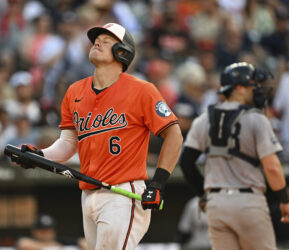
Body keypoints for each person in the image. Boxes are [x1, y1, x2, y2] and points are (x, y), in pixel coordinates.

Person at [10, 23, 183, 250]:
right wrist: (39, 155)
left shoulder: (142, 90)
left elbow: (174, 134)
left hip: (122, 193)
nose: (97, 42)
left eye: (106, 40)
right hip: (88, 194)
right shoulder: (75, 91)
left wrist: (158, 183)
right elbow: (68, 144)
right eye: (96, 39)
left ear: (123, 51)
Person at [179, 62, 289, 250]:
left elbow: (186, 163)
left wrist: (202, 194)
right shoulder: (257, 118)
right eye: (253, 86)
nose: (258, 90)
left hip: (216, 204)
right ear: (240, 89)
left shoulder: (204, 118)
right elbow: (272, 166)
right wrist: (284, 200)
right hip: (248, 202)